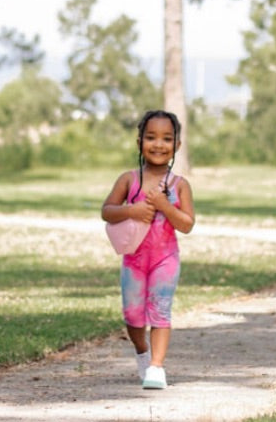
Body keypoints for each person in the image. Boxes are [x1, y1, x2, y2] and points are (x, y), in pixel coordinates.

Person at [100, 110, 195, 389]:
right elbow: (107, 211)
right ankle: (143, 352)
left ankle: (156, 367)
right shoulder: (128, 180)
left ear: (176, 145)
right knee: (133, 315)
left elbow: (187, 224)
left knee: (160, 310)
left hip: (165, 258)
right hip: (134, 260)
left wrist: (166, 206)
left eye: (167, 138)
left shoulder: (180, 186)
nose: (158, 144)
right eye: (151, 137)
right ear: (139, 141)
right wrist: (133, 209)